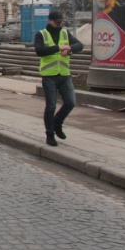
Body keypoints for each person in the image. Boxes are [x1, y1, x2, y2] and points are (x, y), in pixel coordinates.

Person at [34, 10, 84, 147]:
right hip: (49, 75)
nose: (59, 24)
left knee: (70, 102)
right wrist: (58, 48)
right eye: (57, 22)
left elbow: (80, 45)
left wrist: (69, 48)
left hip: (64, 74)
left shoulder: (64, 33)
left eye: (61, 22)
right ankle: (50, 134)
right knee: (51, 106)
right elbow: (39, 51)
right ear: (50, 21)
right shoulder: (41, 34)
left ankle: (57, 123)